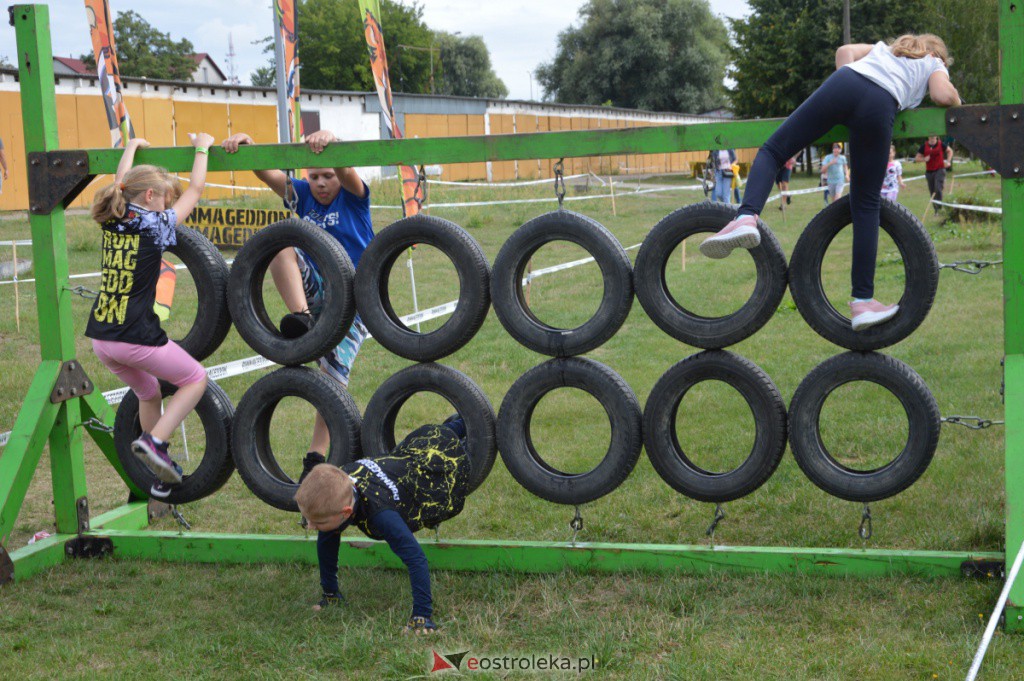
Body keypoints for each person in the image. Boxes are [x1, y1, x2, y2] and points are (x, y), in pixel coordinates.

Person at [699, 34, 960, 332]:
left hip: (846, 83)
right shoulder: (933, 61)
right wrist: (956, 97)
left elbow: (844, 51)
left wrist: (843, 105)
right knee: (865, 204)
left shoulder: (883, 50)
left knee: (773, 151)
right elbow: (941, 95)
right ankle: (862, 302)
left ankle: (746, 216)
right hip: (881, 103)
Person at [221, 129, 374, 461]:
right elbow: (269, 175)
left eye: (327, 176)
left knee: (331, 380)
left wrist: (331, 141)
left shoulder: (354, 198)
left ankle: (315, 455)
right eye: (314, 176)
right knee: (281, 244)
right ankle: (302, 317)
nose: (320, 183)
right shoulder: (302, 195)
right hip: (317, 285)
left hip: (353, 299)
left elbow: (347, 171)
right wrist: (249, 146)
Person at [86, 133, 213, 498]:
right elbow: (198, 188)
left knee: (149, 391)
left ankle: (158, 473)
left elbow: (119, 182)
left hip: (102, 340)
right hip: (133, 337)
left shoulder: (113, 214)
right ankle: (155, 442)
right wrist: (202, 146)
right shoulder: (156, 226)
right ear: (149, 197)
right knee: (195, 378)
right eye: (164, 199)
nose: (167, 205)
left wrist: (130, 149)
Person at [295, 415, 471, 635]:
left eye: (317, 521)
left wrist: (422, 616)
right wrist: (330, 593)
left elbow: (416, 559)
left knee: (461, 443)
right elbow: (327, 542)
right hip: (412, 453)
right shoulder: (339, 485)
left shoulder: (381, 516)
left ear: (346, 512)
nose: (310, 526)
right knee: (327, 532)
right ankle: (461, 422)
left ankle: (468, 421)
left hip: (435, 464)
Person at [915, 134, 953, 203]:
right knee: (932, 191)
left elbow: (950, 151)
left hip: (940, 169)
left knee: (938, 188)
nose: (932, 137)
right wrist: (924, 159)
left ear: (936, 136)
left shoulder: (941, 144)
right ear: (928, 136)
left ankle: (939, 207)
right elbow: (917, 158)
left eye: (934, 135)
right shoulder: (924, 146)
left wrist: (948, 161)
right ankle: (936, 210)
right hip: (929, 172)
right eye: (930, 135)